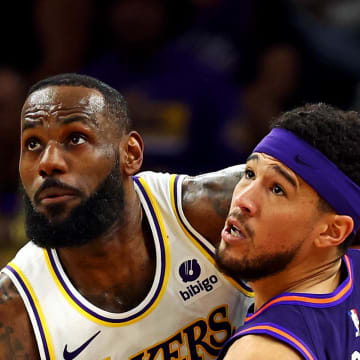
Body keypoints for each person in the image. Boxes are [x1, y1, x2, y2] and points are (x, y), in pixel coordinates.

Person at [0, 73, 253, 359]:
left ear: (130, 154)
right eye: (33, 144)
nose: (48, 163)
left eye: (75, 138)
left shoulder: (210, 210)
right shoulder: (14, 312)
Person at [215, 103, 360, 359]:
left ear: (333, 231)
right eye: (249, 173)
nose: (243, 200)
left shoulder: (262, 352)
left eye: (277, 189)